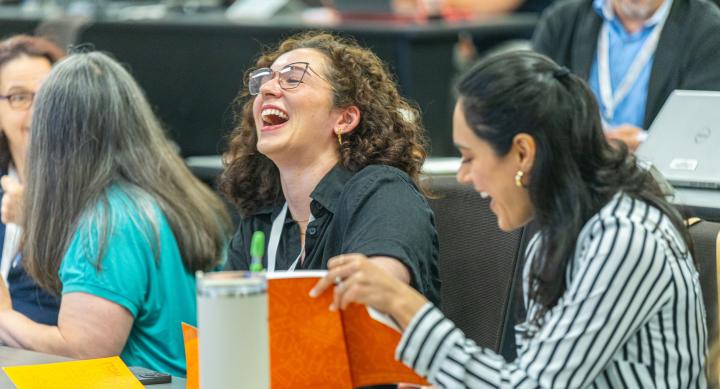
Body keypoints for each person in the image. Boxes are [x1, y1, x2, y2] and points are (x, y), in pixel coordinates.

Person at [311, 51, 707, 388]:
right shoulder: (557, 231)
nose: (463, 176)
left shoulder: (624, 237)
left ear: (522, 153)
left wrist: (405, 304)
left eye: (469, 156)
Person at [0, 52, 232, 377]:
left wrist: (4, 315)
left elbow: (84, 351)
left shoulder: (105, 224)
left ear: (52, 135)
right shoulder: (183, 198)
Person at [220, 31, 440, 305]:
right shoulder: (262, 220)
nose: (267, 89)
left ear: (345, 119)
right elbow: (224, 321)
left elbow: (370, 309)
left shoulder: (382, 192)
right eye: (264, 80)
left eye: (292, 79)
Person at [532, 0, 720, 151]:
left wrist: (648, 142)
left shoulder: (708, 30)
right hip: (573, 172)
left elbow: (701, 131)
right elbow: (534, 109)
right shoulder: (561, 21)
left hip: (657, 177)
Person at [0, 35, 64, 326]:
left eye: (48, 96)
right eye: (19, 97)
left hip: (49, 356)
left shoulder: (90, 187)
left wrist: (36, 222)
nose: (37, 111)